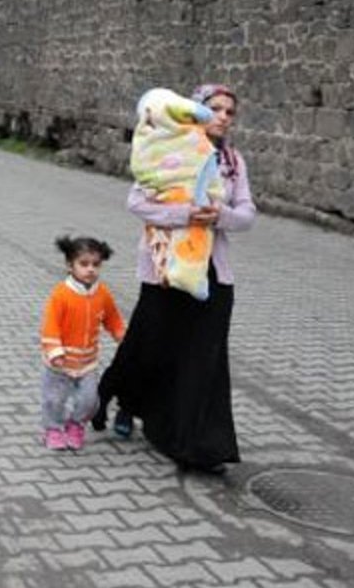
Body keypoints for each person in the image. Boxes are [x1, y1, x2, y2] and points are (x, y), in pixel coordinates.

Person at [93, 83, 256, 474]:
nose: (223, 117)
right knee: (149, 344)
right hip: (165, 269)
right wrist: (186, 215)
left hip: (213, 273)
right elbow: (137, 202)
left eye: (230, 112)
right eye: (215, 108)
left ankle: (196, 445)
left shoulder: (232, 161)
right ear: (195, 111)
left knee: (204, 358)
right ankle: (120, 400)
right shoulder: (169, 147)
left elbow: (247, 212)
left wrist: (220, 216)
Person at [38, 236, 126, 451]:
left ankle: (76, 425)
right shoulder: (61, 294)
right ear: (70, 265)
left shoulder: (102, 293)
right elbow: (50, 325)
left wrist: (120, 334)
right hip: (60, 363)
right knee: (55, 400)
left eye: (96, 264)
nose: (90, 269)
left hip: (87, 363)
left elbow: (112, 318)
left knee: (90, 401)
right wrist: (54, 351)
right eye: (84, 264)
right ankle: (53, 429)